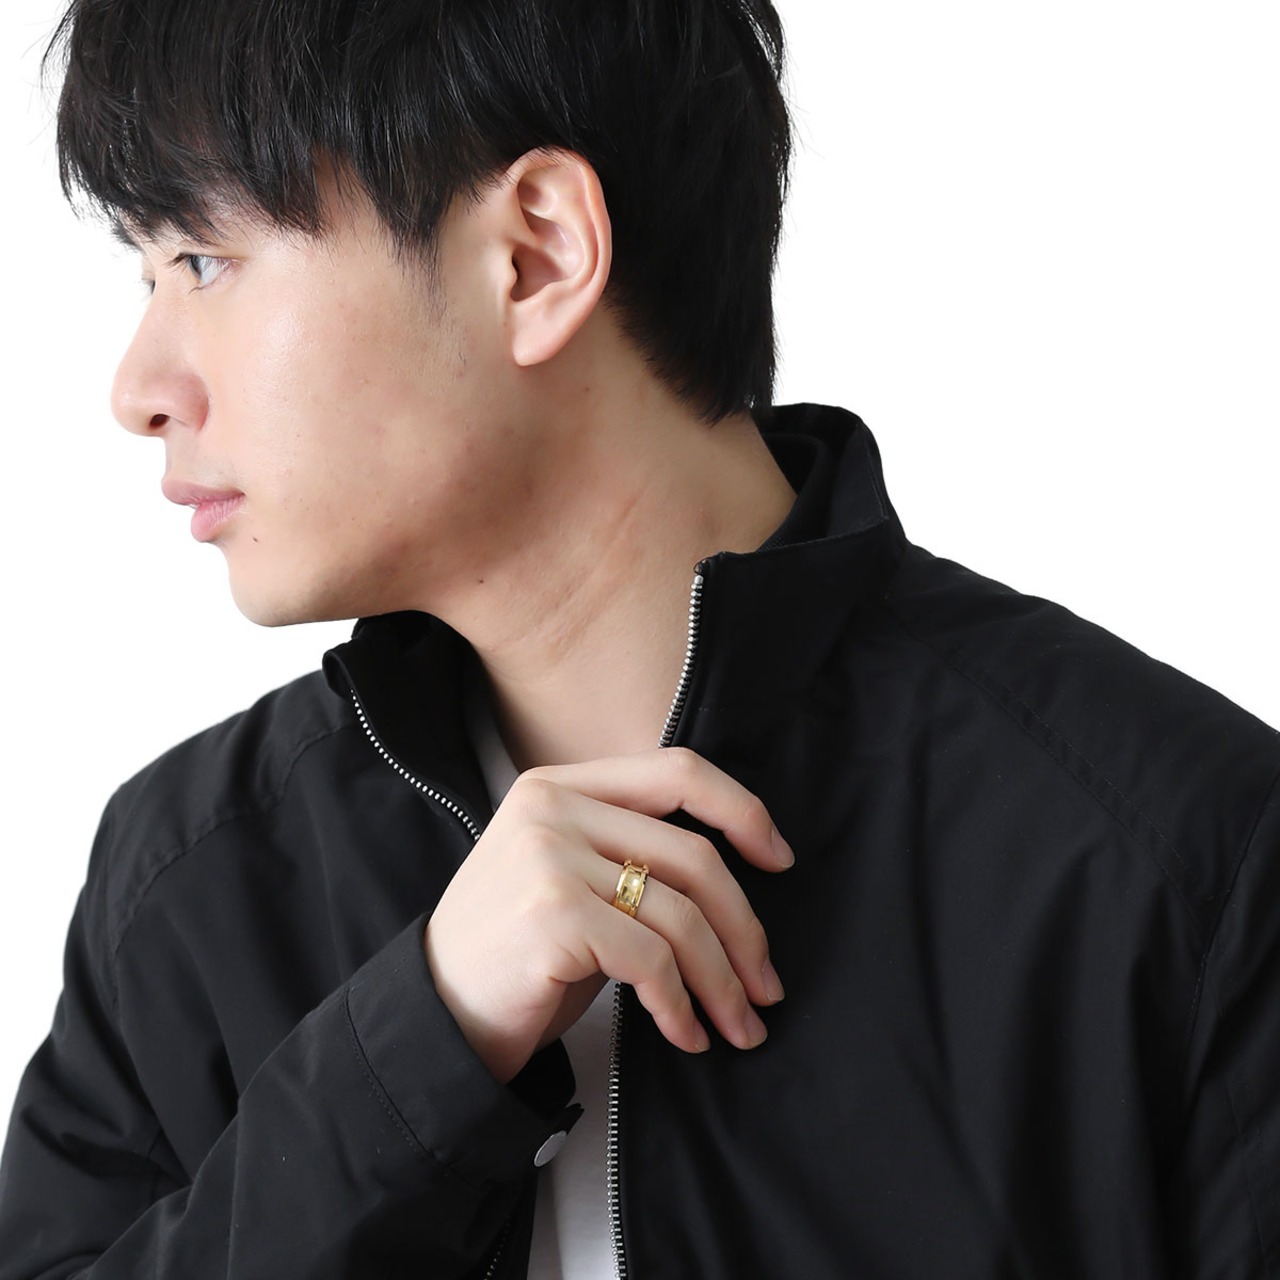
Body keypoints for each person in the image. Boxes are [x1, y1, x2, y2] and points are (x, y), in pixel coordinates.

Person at [1, 1, 1277, 1277]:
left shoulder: (1181, 861)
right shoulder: (185, 881)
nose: (136, 389)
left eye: (203, 259)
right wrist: (419, 1041)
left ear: (536, 256)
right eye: (144, 272)